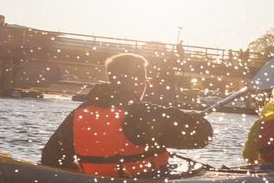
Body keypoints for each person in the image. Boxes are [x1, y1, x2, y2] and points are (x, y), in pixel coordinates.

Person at [41, 53, 212, 176]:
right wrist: (190, 119)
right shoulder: (140, 113)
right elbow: (202, 136)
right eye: (144, 78)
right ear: (135, 80)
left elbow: (50, 157)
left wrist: (86, 175)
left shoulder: (79, 113)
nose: (146, 83)